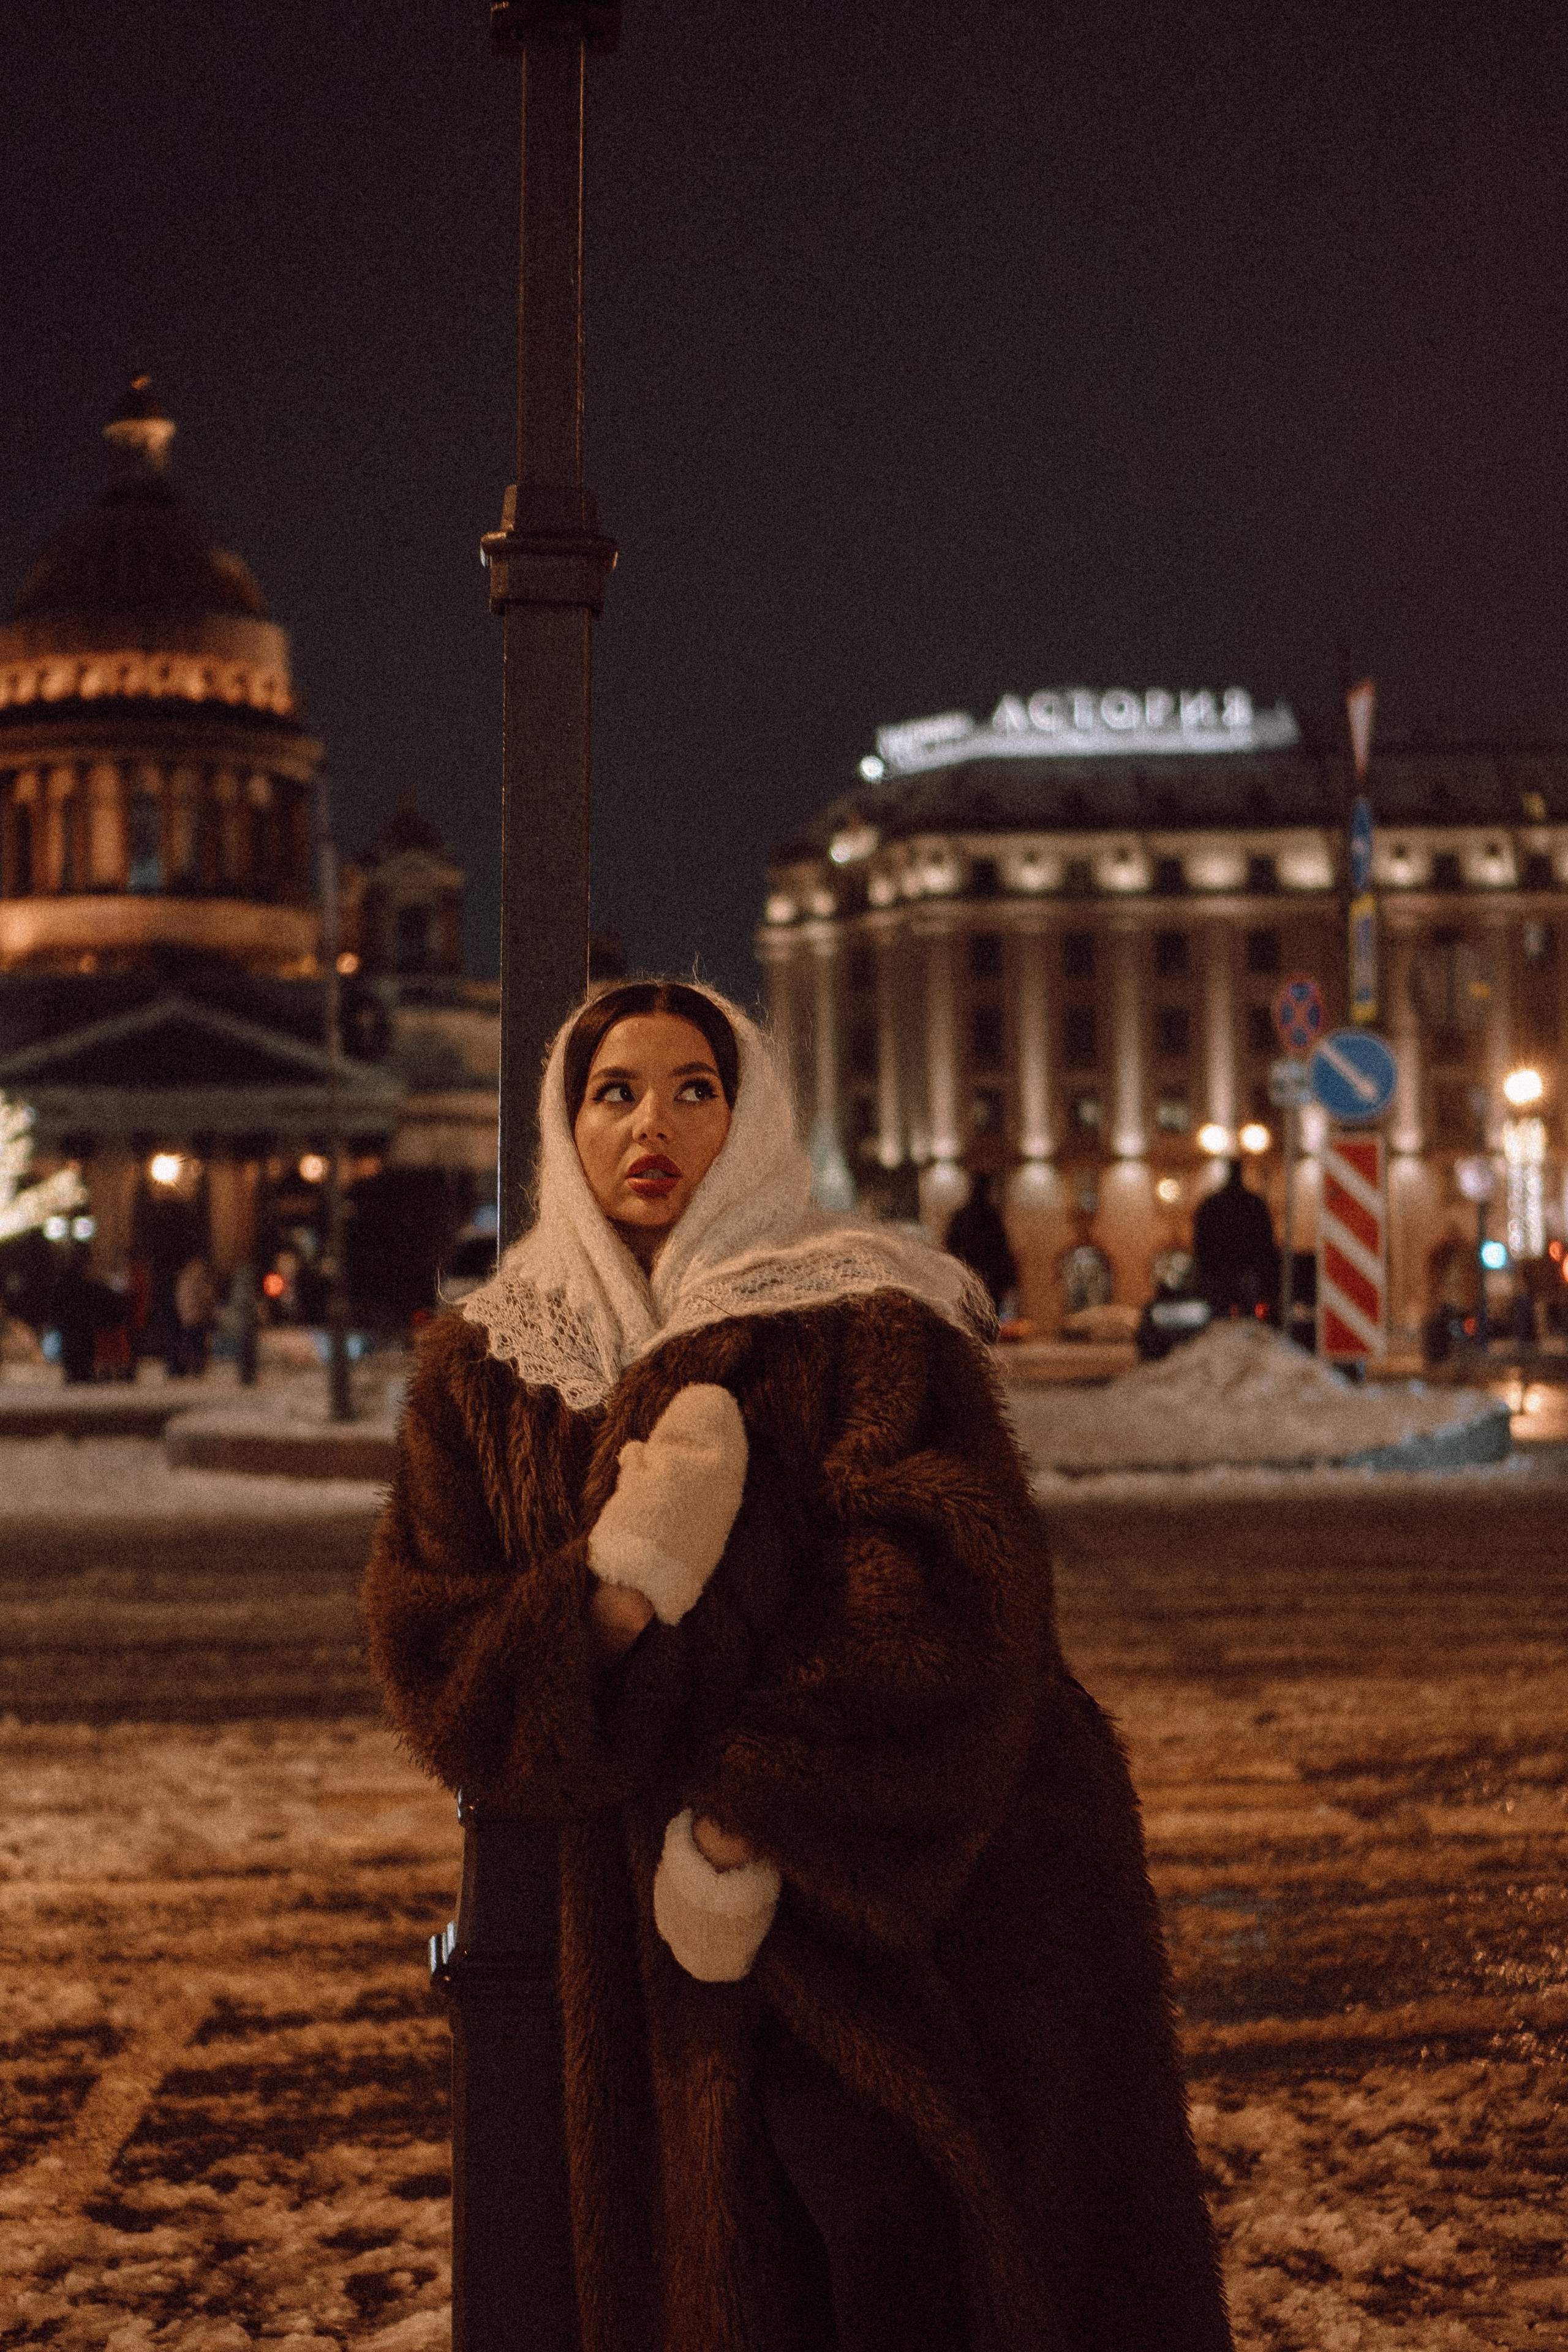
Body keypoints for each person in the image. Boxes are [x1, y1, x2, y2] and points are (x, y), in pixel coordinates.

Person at [364, 981, 1231, 2352]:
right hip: (640, 1941)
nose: (653, 1122)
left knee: (900, 2244)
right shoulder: (486, 1368)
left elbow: (953, 1596)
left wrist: (752, 1822)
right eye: (615, 1091)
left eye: (694, 1088)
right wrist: (606, 1600)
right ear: (564, 1123)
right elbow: (433, 1652)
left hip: (908, 1905)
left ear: (750, 1113)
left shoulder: (865, 1319)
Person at [1191, 1157, 1280, 1317]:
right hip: (1246, 1272)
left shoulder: (1211, 1204)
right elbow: (1266, 1242)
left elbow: (1200, 1243)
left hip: (1217, 1273)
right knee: (1248, 1317)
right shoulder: (1254, 1203)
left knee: (1218, 1317)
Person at [941, 1169, 1019, 1315]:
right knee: (989, 1317)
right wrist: (1009, 1281)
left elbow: (951, 1251)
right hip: (990, 1282)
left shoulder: (960, 1217)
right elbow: (1001, 1252)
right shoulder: (992, 1217)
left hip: (965, 1281)